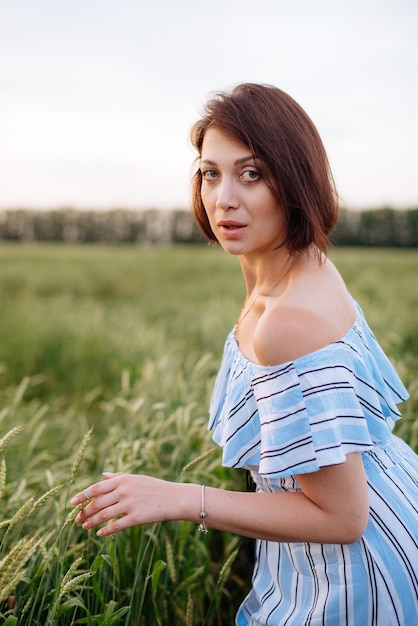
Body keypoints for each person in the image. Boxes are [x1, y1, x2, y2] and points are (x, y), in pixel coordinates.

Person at [71, 83, 418, 625]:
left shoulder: (287, 321)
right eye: (211, 172)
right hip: (387, 505)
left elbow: (343, 517)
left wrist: (182, 496)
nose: (223, 198)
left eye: (251, 173)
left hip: (356, 574)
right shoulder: (302, 262)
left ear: (295, 180)